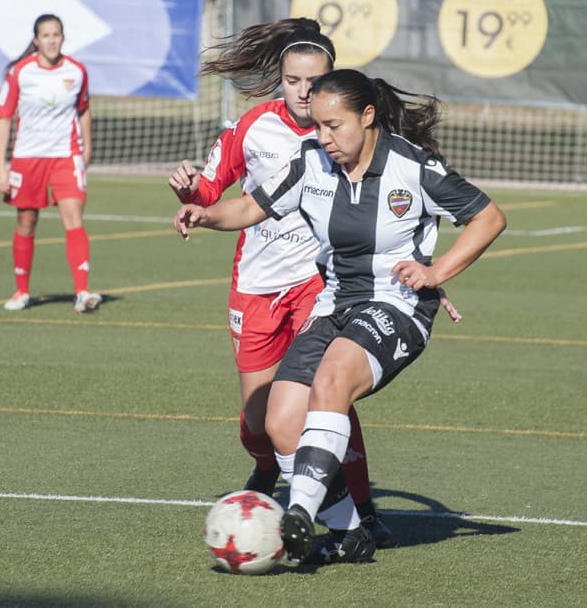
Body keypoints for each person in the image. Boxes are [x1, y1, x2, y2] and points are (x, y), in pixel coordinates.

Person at [174, 68, 506, 564]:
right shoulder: (311, 161)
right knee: (281, 422)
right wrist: (206, 215)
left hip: (396, 305)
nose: (324, 137)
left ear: (367, 116)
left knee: (331, 379)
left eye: (334, 126)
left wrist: (436, 272)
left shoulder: (411, 166)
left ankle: (299, 514)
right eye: (319, 126)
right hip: (333, 304)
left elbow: (489, 217)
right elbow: (250, 208)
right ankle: (351, 533)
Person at [170, 18, 417, 548]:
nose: (304, 92)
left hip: (321, 288)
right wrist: (191, 193)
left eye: (314, 81)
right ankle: (268, 468)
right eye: (292, 81)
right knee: (258, 421)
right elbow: (212, 190)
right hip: (257, 285)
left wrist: (426, 272)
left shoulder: (351, 135)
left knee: (331, 395)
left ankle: (361, 513)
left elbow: (398, 216)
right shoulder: (254, 126)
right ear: (279, 80)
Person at [0, 13, 102, 315]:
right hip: (27, 157)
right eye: (46, 36)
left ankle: (82, 292)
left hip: (66, 155)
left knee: (73, 218)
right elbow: (4, 117)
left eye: (56, 35)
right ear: (36, 40)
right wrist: (0, 166)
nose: (52, 41)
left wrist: (87, 148)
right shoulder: (20, 72)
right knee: (27, 222)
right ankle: (22, 291)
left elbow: (84, 110)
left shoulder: (76, 71)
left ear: (62, 38)